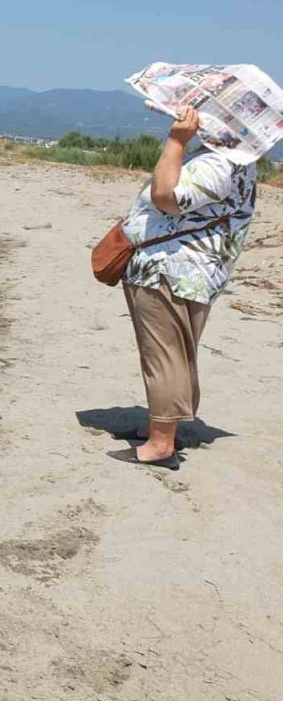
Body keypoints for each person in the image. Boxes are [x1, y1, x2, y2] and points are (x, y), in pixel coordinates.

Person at [115, 105, 257, 468]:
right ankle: (162, 429)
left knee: (163, 356)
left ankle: (161, 444)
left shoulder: (219, 163)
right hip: (187, 272)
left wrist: (177, 140)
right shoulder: (235, 161)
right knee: (174, 352)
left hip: (172, 271)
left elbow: (167, 196)